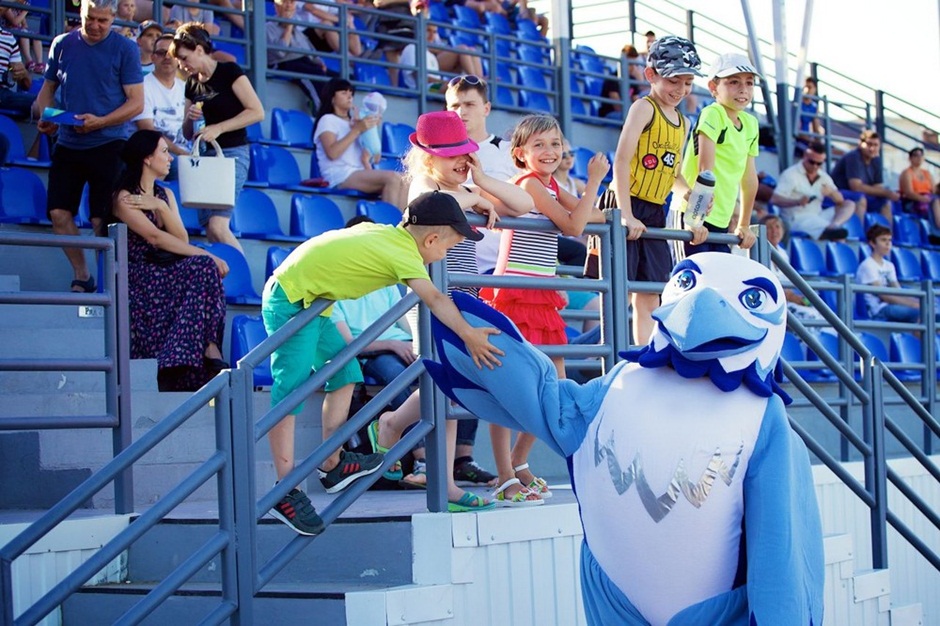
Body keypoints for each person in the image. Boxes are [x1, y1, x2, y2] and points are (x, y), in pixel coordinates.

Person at [262, 191, 504, 534]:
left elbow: (428, 207)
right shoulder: (404, 255)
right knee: (291, 392)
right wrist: (470, 334)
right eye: (448, 249)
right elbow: (436, 298)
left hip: (314, 301)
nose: (444, 256)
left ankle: (332, 463)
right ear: (431, 240)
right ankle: (285, 489)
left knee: (346, 373)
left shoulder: (396, 232)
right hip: (291, 298)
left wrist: (473, 200)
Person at [401, 109, 533, 506]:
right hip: (430, 293)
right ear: (428, 158)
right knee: (443, 384)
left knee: (452, 386)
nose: (461, 160)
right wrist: (473, 198)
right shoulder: (425, 183)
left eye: (465, 151)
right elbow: (432, 202)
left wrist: (483, 182)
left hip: (463, 296)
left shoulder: (467, 187)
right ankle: (443, 481)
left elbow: (523, 203)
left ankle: (392, 425)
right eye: (451, 154)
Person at [484, 114, 608, 505]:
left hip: (541, 294)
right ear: (521, 154)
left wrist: (598, 203)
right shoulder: (530, 184)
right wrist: (593, 182)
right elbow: (574, 227)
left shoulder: (550, 184)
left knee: (553, 385)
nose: (550, 151)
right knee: (509, 387)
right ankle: (505, 475)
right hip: (515, 293)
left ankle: (518, 461)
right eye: (539, 145)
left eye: (555, 143)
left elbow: (593, 216)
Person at [441, 74, 523, 485]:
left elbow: (522, 203)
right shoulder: (440, 153)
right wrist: (479, 198)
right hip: (460, 267)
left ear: (486, 108)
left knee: (487, 362)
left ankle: (474, 459)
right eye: (454, 105)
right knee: (465, 359)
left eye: (469, 104)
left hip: (501, 269)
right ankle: (456, 459)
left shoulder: (507, 152)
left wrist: (483, 194)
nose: (461, 112)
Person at [33, 0, 144, 293]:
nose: (95, 25)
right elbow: (47, 91)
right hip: (68, 142)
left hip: (109, 143)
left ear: (113, 18)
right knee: (58, 213)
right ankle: (82, 275)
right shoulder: (62, 44)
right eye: (89, 18)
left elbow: (137, 103)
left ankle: (109, 284)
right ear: (81, 14)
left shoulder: (126, 49)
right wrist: (46, 116)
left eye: (102, 21)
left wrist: (101, 121)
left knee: (100, 218)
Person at [110, 130, 229, 391]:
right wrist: (207, 253)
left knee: (204, 269)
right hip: (139, 274)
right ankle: (202, 353)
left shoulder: (165, 195)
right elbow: (154, 237)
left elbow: (181, 238)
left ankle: (209, 348)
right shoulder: (124, 197)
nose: (170, 158)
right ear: (147, 158)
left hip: (166, 270)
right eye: (164, 152)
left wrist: (161, 207)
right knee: (204, 264)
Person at [605, 35, 703, 345]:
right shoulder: (643, 108)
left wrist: (689, 194)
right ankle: (610, 351)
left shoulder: (684, 122)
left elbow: (673, 172)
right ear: (651, 75)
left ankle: (644, 354)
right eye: (674, 80)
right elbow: (622, 160)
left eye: (687, 83)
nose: (680, 89)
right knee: (618, 287)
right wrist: (626, 214)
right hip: (625, 202)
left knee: (650, 291)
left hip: (655, 209)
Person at [172, 21, 264, 253]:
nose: (181, 65)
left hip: (232, 154)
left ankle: (245, 274)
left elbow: (257, 111)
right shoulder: (192, 84)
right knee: (211, 231)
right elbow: (187, 133)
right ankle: (228, 274)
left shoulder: (229, 71)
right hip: (205, 159)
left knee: (218, 226)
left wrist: (219, 128)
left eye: (184, 58)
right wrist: (190, 119)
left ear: (199, 50)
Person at [670, 52, 761, 259]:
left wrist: (744, 224)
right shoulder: (713, 114)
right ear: (713, 87)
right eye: (734, 82)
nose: (743, 89)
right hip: (690, 214)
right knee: (690, 277)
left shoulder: (751, 123)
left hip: (721, 220)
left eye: (749, 83)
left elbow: (749, 178)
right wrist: (695, 219)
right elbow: (706, 171)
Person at [313, 77, 408, 207]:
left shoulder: (356, 122)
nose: (349, 97)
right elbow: (332, 153)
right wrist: (357, 130)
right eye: (344, 93)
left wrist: (373, 131)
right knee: (392, 178)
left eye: (351, 93)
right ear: (332, 98)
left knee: (404, 180)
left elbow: (372, 158)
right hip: (339, 175)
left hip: (358, 172)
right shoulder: (327, 120)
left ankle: (400, 218)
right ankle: (392, 219)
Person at [771, 141, 856, 240]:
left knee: (849, 204)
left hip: (818, 215)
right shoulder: (790, 174)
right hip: (796, 219)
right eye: (812, 162)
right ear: (805, 156)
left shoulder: (824, 177)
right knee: (838, 237)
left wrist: (832, 193)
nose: (815, 166)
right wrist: (797, 202)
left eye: (819, 163)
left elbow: (840, 201)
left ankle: (834, 226)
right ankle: (831, 231)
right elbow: (774, 199)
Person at [133, 33, 189, 180]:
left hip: (186, 153)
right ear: (152, 57)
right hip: (155, 152)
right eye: (161, 53)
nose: (167, 57)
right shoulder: (143, 87)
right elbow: (148, 130)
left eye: (171, 53)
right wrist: (181, 153)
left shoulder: (187, 88)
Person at [760, 215, 826, 330]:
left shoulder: (783, 254)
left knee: (820, 316)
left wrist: (797, 298)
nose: (774, 231)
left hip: (788, 299)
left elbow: (788, 283)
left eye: (777, 227)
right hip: (773, 303)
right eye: (769, 227)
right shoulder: (759, 252)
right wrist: (792, 297)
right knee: (810, 317)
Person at [266, 0, 331, 111]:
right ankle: (322, 111)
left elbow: (310, 50)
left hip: (304, 62)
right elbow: (280, 53)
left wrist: (320, 62)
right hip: (284, 63)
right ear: (276, 6)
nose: (288, 5)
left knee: (338, 79)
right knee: (314, 74)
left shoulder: (298, 30)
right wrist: (288, 27)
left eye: (291, 2)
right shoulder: (268, 27)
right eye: (284, 2)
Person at [856, 224, 924, 323]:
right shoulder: (867, 265)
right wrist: (912, 304)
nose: (888, 244)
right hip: (878, 310)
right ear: (872, 243)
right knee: (919, 313)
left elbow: (898, 291)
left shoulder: (889, 265)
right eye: (883, 240)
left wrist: (919, 302)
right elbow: (883, 295)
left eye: (889, 240)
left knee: (929, 309)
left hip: (891, 306)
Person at [831, 129, 899, 222]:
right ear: (860, 144)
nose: (872, 148)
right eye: (869, 144)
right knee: (860, 199)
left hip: (861, 195)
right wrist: (886, 192)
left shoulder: (876, 160)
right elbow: (856, 187)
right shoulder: (853, 157)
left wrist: (886, 193)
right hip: (839, 193)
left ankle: (885, 231)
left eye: (875, 145)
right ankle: (858, 230)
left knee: (885, 202)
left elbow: (878, 187)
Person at [400, 14, 483, 90]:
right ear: (420, 30)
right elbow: (420, 78)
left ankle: (478, 82)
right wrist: (445, 82)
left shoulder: (431, 55)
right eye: (428, 30)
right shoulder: (412, 48)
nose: (432, 35)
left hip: (434, 86)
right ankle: (474, 83)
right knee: (454, 86)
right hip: (424, 88)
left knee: (472, 51)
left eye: (434, 32)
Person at [898, 146, 940, 244]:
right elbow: (908, 193)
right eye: (916, 155)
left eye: (921, 155)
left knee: (936, 200)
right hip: (912, 201)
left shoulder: (927, 173)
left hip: (928, 199)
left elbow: (933, 190)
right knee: (935, 202)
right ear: (910, 158)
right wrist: (923, 199)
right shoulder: (907, 173)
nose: (919, 158)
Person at [597, 43, 644, 119]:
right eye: (630, 64)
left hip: (626, 113)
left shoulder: (632, 80)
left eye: (635, 64)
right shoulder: (613, 79)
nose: (633, 67)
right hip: (610, 114)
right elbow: (618, 107)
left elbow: (637, 103)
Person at [1, 0, 44, 73]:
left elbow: (25, 25)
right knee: (24, 34)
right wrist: (25, 11)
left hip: (19, 30)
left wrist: (24, 24)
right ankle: (29, 61)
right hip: (9, 31)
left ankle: (39, 63)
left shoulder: (19, 8)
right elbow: (15, 22)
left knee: (36, 36)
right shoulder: (7, 7)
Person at [0, 25, 33, 119]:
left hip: (3, 94)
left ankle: (55, 127)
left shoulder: (9, 38)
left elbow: (26, 85)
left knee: (47, 104)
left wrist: (24, 74)